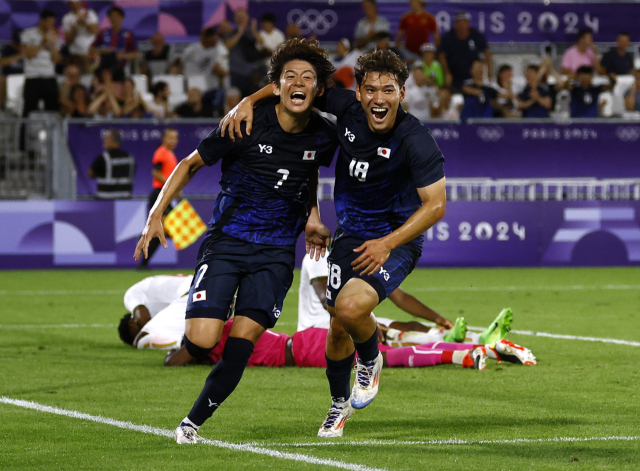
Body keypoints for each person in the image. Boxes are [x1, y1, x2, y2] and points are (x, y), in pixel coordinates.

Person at [223, 48, 447, 437]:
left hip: (395, 239)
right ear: (358, 93)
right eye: (371, 90)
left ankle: (371, 360)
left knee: (351, 306)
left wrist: (388, 243)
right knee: (339, 324)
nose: (379, 98)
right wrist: (248, 101)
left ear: (402, 93)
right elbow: (293, 86)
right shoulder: (344, 108)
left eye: (389, 90)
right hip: (349, 236)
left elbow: (436, 205)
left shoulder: (416, 139)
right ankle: (338, 405)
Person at [133, 39, 339, 445]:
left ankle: (190, 425)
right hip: (227, 242)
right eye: (289, 77)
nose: (299, 83)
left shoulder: (324, 135)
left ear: (317, 89)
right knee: (202, 339)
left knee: (242, 345)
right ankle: (207, 302)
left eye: (308, 78)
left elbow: (308, 171)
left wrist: (313, 214)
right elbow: (190, 163)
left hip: (277, 252)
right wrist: (156, 215)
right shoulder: (242, 122)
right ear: (276, 86)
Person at [138, 129, 179, 269]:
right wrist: (171, 186)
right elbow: (156, 172)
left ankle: (143, 256)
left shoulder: (170, 154)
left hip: (165, 193)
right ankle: (143, 240)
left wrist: (175, 189)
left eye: (175, 138)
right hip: (159, 194)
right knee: (168, 228)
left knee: (167, 229)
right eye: (170, 138)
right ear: (163, 138)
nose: (173, 141)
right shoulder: (161, 153)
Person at [118, 274, 193, 349]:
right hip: (197, 287)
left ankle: (187, 346)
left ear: (131, 323)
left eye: (137, 331)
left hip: (191, 294)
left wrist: (147, 334)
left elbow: (142, 319)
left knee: (141, 340)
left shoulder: (131, 295)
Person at [20, 10, 61, 117]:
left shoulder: (55, 36)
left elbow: (56, 59)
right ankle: (25, 133)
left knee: (53, 110)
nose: (51, 25)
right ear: (42, 21)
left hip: (49, 76)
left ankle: (52, 133)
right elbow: (29, 55)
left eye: (53, 22)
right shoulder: (28, 34)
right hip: (33, 77)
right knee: (29, 109)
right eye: (49, 22)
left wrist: (52, 45)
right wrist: (43, 41)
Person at [439, 11, 492, 92]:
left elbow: (487, 52)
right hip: (454, 76)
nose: (461, 25)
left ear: (468, 23)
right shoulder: (448, 37)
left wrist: (490, 72)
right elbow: (441, 54)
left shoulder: (476, 35)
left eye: (464, 22)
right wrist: (446, 73)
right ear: (455, 24)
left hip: (473, 78)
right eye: (459, 23)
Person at [224, 8, 266, 97]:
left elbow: (262, 43)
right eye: (238, 17)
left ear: (248, 18)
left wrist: (254, 31)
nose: (241, 19)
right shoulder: (230, 34)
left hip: (253, 73)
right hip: (237, 73)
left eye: (243, 17)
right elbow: (227, 46)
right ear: (235, 19)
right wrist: (239, 32)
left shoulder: (253, 33)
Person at [90, 6, 139, 82]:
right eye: (111, 16)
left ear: (122, 18)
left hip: (121, 67)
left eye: (116, 16)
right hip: (105, 67)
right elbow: (91, 49)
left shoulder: (128, 34)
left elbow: (136, 54)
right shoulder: (103, 33)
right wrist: (103, 51)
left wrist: (123, 56)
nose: (114, 19)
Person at [88, 129, 135, 199]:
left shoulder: (103, 159)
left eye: (105, 139)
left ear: (112, 140)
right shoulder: (130, 159)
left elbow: (90, 174)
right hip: (125, 201)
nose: (103, 142)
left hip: (105, 202)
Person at [62, 0, 99, 74]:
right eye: (72, 3)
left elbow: (95, 31)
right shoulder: (67, 18)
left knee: (89, 74)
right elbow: (68, 40)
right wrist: (75, 27)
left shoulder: (89, 14)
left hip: (89, 53)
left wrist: (84, 23)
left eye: (76, 3)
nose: (74, 5)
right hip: (75, 54)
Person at [0, 29, 24, 110]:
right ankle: (1, 105)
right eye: (17, 43)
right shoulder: (7, 49)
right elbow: (2, 63)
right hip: (9, 76)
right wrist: (18, 56)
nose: (19, 45)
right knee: (2, 79)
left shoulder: (28, 49)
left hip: (25, 76)